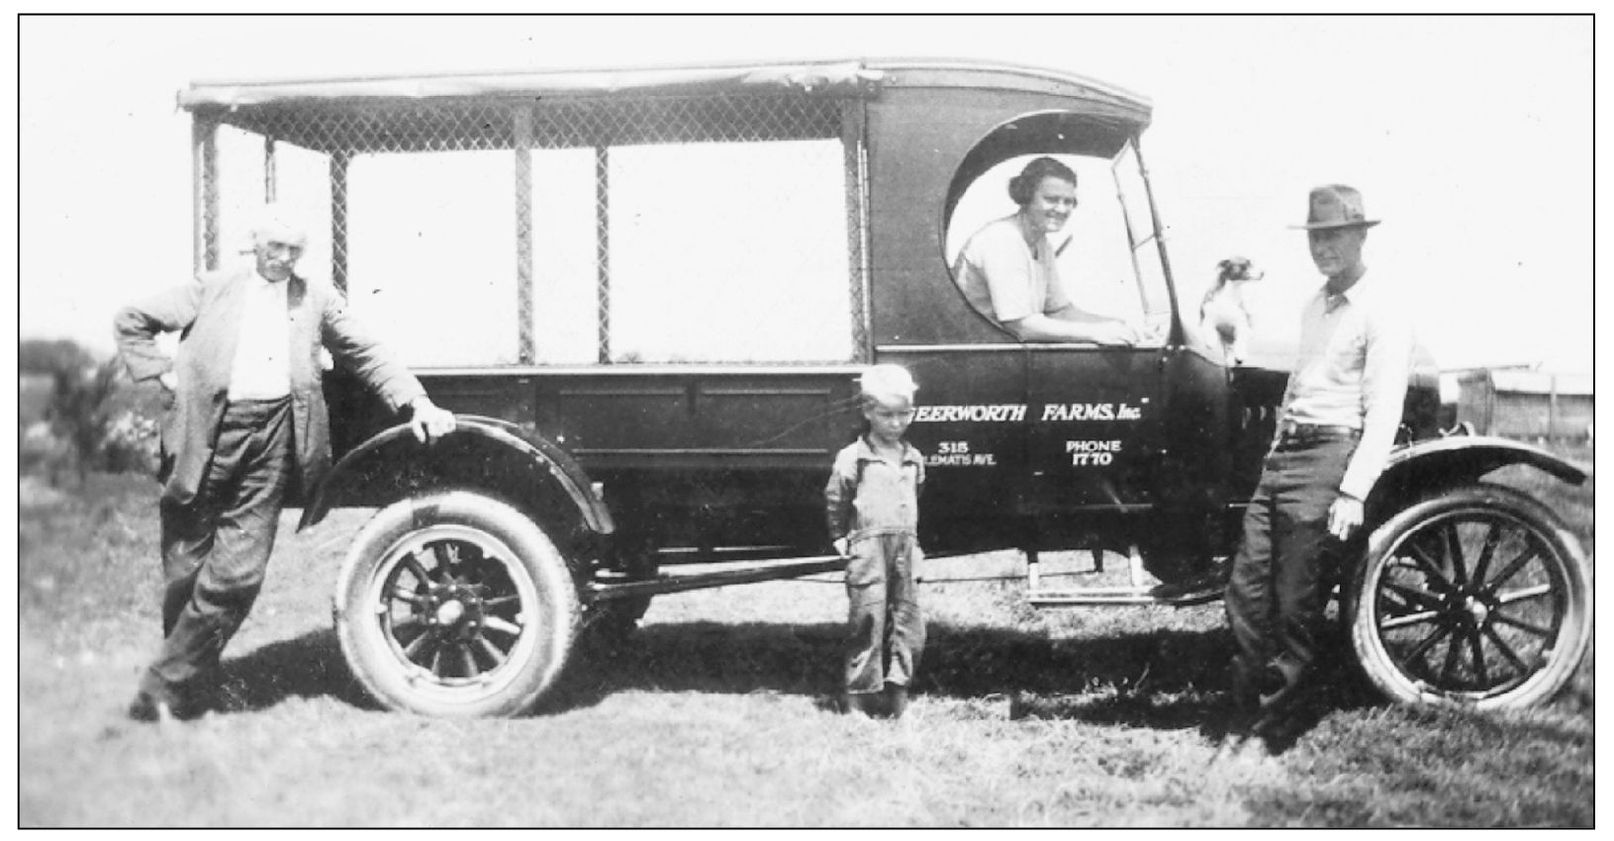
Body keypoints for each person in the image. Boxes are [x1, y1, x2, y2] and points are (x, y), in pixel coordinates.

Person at [113, 205, 458, 722]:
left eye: (294, 249)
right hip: (205, 438)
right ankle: (190, 680)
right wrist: (161, 373)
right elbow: (132, 321)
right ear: (254, 243)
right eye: (275, 247)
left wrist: (417, 402)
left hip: (273, 441)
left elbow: (365, 350)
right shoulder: (214, 287)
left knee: (238, 575)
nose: (284, 257)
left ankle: (161, 690)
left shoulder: (314, 297)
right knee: (185, 569)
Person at [1223, 185, 1414, 731]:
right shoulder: (1315, 305)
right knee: (1247, 588)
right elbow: (1298, 387)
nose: (1323, 247)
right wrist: (1275, 450)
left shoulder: (1383, 309)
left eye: (1334, 235)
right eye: (1316, 237)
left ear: (1359, 236)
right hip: (1285, 457)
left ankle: (1275, 724)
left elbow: (1383, 409)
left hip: (1332, 453)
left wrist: (1353, 490)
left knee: (1295, 597)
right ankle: (1242, 711)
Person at [824, 364, 926, 718]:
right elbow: (836, 498)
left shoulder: (914, 458)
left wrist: (913, 544)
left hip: (905, 547)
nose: (896, 423)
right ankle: (857, 701)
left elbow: (913, 500)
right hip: (868, 548)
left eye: (904, 414)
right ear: (868, 411)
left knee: (908, 623)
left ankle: (898, 698)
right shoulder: (854, 457)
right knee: (867, 621)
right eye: (887, 415)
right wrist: (840, 537)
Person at [952, 156, 1141, 345]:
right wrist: (1096, 332)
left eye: (1069, 202)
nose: (1061, 209)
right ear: (1026, 197)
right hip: (975, 352)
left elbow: (1060, 311)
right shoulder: (1002, 239)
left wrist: (1120, 326)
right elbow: (1021, 326)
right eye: (1051, 199)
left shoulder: (1042, 244)